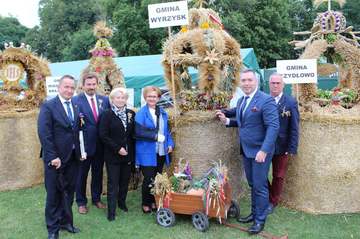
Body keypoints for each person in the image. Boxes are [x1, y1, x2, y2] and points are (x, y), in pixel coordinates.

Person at [215, 69, 279, 234]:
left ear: (256, 81)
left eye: (249, 80)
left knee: (260, 186)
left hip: (260, 152)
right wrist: (227, 120)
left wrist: (264, 150)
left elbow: (273, 127)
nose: (246, 83)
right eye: (243, 81)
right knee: (252, 184)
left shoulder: (266, 100)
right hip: (247, 150)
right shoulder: (243, 100)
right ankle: (254, 213)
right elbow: (244, 122)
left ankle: (260, 221)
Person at [38, 75, 81, 239]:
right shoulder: (49, 106)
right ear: (59, 87)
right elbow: (44, 134)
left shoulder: (75, 106)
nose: (69, 90)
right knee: (54, 194)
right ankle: (53, 229)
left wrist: (81, 152)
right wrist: (53, 157)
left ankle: (66, 222)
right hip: (55, 160)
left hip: (73, 158)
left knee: (69, 192)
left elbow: (76, 132)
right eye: (66, 87)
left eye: (72, 87)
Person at [73, 73, 109, 214]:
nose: (91, 87)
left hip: (100, 145)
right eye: (88, 84)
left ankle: (96, 199)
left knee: (98, 173)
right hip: (84, 146)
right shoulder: (76, 101)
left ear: (97, 84)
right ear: (82, 85)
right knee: (81, 175)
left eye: (94, 84)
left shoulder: (104, 100)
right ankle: (81, 202)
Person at [135, 86, 175, 213]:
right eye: (149, 96)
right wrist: (155, 136)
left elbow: (166, 132)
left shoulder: (162, 112)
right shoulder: (141, 113)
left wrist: (170, 144)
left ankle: (154, 200)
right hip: (146, 152)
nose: (152, 98)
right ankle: (145, 203)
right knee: (148, 178)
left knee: (157, 178)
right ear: (145, 97)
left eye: (154, 96)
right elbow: (138, 132)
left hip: (161, 151)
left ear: (158, 98)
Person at [99, 87, 135, 221]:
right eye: (117, 97)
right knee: (113, 183)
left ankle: (122, 203)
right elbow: (103, 135)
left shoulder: (131, 113)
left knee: (124, 182)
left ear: (126, 99)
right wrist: (117, 148)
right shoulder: (106, 114)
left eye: (123, 97)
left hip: (127, 155)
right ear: (112, 100)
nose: (120, 100)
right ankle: (111, 211)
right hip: (113, 155)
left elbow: (132, 136)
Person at [267, 73, 299, 213]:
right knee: (261, 175)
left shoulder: (290, 102)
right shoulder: (264, 100)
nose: (275, 85)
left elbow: (294, 127)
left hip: (282, 146)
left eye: (278, 83)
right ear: (269, 84)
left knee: (278, 176)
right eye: (273, 83)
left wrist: (291, 148)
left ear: (283, 85)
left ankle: (273, 202)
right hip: (265, 146)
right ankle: (267, 196)